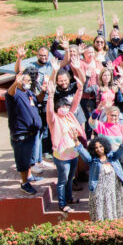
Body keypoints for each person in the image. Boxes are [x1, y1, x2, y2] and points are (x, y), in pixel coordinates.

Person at [45, 80, 84, 212]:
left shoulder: (70, 116)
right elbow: (49, 111)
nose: (65, 108)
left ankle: (69, 198)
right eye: (62, 106)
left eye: (67, 106)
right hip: (62, 156)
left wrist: (80, 89)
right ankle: (62, 204)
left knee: (70, 178)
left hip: (73, 153)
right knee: (62, 180)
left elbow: (75, 103)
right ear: (57, 108)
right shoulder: (54, 119)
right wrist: (50, 96)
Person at [74, 134, 123, 221]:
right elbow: (82, 152)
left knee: (112, 213)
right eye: (96, 148)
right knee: (99, 214)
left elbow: (122, 148)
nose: (99, 149)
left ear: (105, 146)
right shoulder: (93, 160)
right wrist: (75, 140)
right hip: (99, 192)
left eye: (101, 146)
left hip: (112, 191)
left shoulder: (112, 157)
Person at [5, 71, 43, 195]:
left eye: (30, 80)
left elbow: (37, 100)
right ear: (20, 81)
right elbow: (9, 93)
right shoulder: (15, 94)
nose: (30, 82)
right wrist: (15, 83)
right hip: (21, 135)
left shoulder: (28, 93)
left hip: (31, 133)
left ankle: (29, 176)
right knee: (22, 160)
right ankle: (24, 183)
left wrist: (44, 91)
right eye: (27, 80)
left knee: (28, 159)